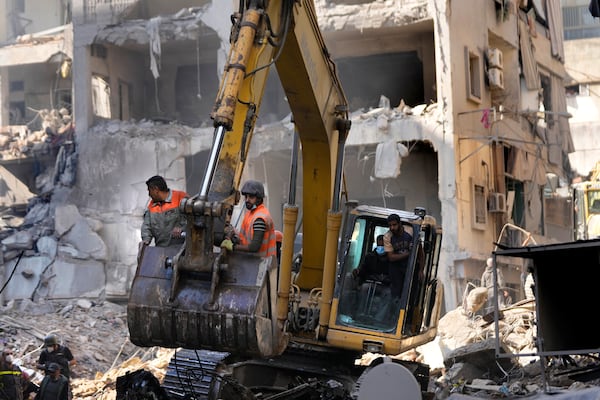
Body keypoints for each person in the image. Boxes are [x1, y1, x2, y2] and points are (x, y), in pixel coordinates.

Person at [220, 180, 277, 258]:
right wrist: (235, 233)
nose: (247, 200)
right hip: (253, 262)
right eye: (246, 196)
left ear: (259, 198)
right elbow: (246, 238)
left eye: (251, 197)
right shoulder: (251, 213)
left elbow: (254, 247)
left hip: (261, 264)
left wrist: (232, 246)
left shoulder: (260, 218)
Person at [141, 175, 189, 247]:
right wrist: (145, 240)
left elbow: (193, 219)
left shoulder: (180, 197)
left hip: (182, 249)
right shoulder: (151, 206)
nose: (149, 194)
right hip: (161, 251)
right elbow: (147, 226)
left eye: (149, 190)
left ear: (156, 190)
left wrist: (182, 228)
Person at [384, 214, 413, 299]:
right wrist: (408, 254)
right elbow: (391, 257)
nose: (392, 228)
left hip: (409, 265)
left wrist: (421, 270)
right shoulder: (387, 236)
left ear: (400, 224)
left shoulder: (410, 231)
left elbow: (419, 252)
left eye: (394, 225)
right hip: (396, 267)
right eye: (390, 225)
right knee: (396, 292)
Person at [36, 334, 75, 398]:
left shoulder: (64, 350)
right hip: (50, 379)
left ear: (55, 345)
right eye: (48, 346)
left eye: (50, 346)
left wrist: (65, 365)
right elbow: (38, 364)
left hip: (63, 379)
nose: (49, 347)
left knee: (65, 395)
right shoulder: (45, 353)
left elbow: (73, 361)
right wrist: (46, 367)